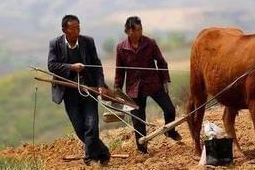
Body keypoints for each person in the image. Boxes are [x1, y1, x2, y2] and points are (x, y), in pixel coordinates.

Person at [48, 14, 110, 166]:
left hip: (88, 90)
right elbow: (51, 66)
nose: (77, 31)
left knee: (91, 125)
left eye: (78, 27)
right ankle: (103, 152)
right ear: (64, 30)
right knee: (79, 128)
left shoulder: (88, 42)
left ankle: (90, 159)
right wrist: (71, 67)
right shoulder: (55, 44)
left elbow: (97, 65)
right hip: (68, 93)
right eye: (73, 28)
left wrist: (101, 85)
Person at [114, 16, 182, 153]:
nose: (140, 32)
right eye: (137, 30)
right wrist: (117, 90)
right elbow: (120, 71)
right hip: (134, 88)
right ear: (128, 31)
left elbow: (161, 62)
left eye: (141, 29)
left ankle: (170, 131)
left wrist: (164, 81)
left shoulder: (150, 43)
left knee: (169, 109)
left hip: (153, 83)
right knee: (138, 119)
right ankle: (142, 148)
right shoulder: (121, 48)